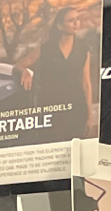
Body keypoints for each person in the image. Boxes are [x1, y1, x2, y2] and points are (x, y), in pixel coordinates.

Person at [31, 7, 97, 140]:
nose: (76, 23)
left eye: (77, 19)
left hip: (76, 108)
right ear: (60, 26)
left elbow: (86, 83)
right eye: (71, 20)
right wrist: (25, 72)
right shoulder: (46, 48)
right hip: (52, 108)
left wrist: (90, 116)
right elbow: (20, 66)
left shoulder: (83, 49)